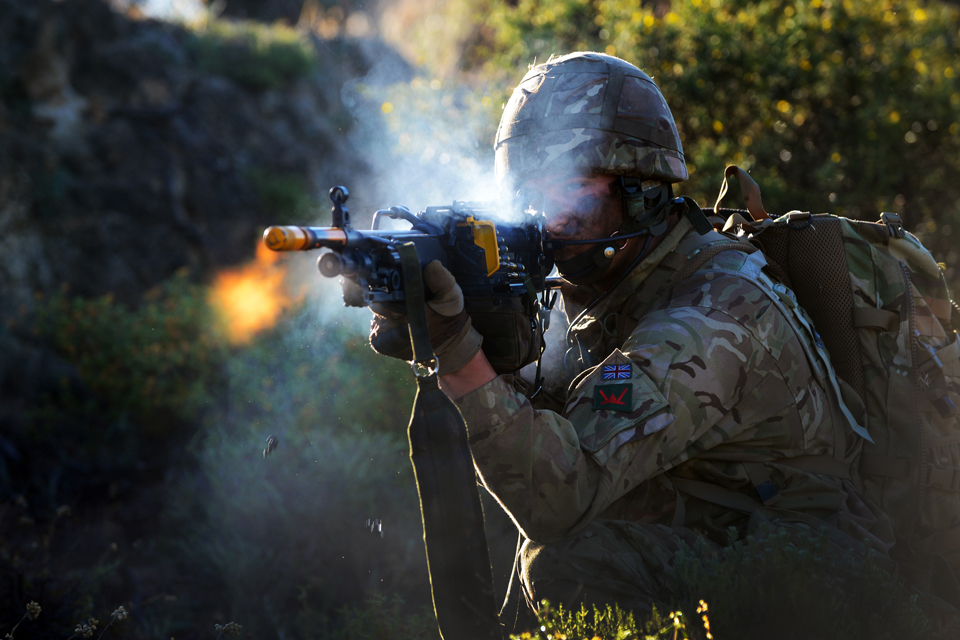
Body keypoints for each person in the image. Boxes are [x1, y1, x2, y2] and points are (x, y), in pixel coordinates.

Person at [370, 52, 895, 617]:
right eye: (530, 192)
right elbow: (544, 426)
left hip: (808, 565)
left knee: (565, 560)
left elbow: (559, 494)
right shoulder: (618, 280)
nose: (547, 217)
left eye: (572, 186)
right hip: (716, 513)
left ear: (642, 188)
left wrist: (457, 352)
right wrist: (466, 329)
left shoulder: (712, 314)